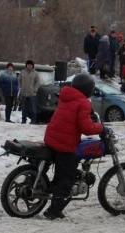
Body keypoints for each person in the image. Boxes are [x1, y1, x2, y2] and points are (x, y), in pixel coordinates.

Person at [43, 73, 106, 219]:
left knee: (64, 169)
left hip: (52, 137)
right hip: (64, 143)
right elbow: (87, 128)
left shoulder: (66, 96)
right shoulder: (83, 102)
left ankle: (56, 185)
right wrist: (102, 128)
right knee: (67, 179)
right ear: (88, 89)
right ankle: (54, 210)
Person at [18, 60, 39, 124]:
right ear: (26, 65)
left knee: (33, 108)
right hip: (24, 93)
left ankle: (33, 121)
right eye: (28, 65)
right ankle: (23, 120)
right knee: (24, 108)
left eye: (30, 65)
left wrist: (35, 89)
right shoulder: (22, 72)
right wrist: (20, 87)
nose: (29, 66)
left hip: (32, 94)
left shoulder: (35, 73)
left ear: (32, 66)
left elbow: (38, 82)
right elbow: (19, 80)